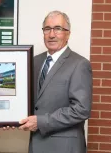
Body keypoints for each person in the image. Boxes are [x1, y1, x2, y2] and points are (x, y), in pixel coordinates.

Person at [19, 11, 92, 153]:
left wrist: (40, 122)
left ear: (68, 34)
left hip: (64, 147)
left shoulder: (80, 64)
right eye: (47, 29)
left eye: (58, 29)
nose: (51, 34)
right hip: (36, 143)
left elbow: (81, 109)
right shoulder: (34, 61)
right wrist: (7, 118)